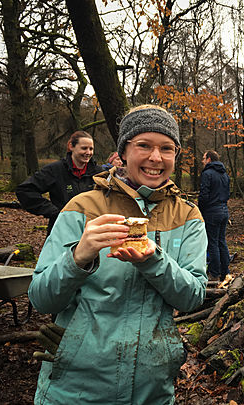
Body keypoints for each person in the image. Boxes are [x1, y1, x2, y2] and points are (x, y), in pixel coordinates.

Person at [28, 105, 208, 404]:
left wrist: (154, 260)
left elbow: (192, 298)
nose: (155, 158)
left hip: (151, 389)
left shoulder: (188, 216)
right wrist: (79, 257)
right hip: (75, 388)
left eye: (166, 148)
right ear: (123, 151)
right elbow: (42, 298)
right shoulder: (81, 207)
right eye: (144, 145)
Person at [15, 131, 103, 236]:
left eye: (91, 149)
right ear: (71, 146)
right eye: (84, 148)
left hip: (92, 231)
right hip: (61, 230)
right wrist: (54, 212)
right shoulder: (55, 170)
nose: (88, 152)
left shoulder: (99, 173)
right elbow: (24, 190)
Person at [198, 150, 230, 282]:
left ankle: (214, 274)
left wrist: (200, 209)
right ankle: (225, 271)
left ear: (209, 159)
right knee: (221, 241)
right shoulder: (225, 175)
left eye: (204, 158)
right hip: (224, 211)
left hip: (211, 212)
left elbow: (204, 195)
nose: (202, 161)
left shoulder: (207, 174)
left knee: (212, 243)